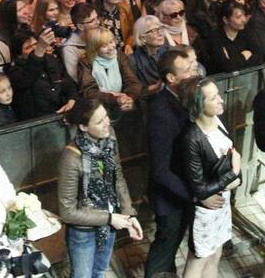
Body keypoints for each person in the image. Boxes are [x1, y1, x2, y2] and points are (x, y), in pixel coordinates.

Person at [58, 98, 142, 278]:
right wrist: (109, 218)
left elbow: (117, 175)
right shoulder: (70, 158)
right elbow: (67, 212)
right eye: (99, 121)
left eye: (106, 117)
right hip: (84, 232)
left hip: (110, 223)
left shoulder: (109, 136)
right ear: (83, 127)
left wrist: (128, 214)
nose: (107, 123)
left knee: (100, 272)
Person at [144, 46, 202, 278]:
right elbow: (160, 170)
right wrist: (192, 194)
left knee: (175, 241)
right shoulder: (161, 112)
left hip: (185, 188)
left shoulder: (186, 97)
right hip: (171, 194)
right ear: (171, 78)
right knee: (165, 245)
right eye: (188, 70)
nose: (195, 72)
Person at [176, 77, 241, 278]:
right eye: (213, 98)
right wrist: (233, 175)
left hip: (222, 203)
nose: (221, 100)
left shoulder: (219, 120)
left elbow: (231, 154)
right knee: (198, 259)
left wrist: (231, 180)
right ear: (198, 105)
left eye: (218, 95)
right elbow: (200, 189)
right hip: (205, 209)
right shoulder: (192, 138)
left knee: (215, 254)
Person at [75, 28, 142, 114]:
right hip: (99, 107)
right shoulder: (86, 62)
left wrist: (129, 97)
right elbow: (88, 91)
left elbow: (132, 81)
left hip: (124, 104)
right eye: (104, 46)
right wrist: (114, 98)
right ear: (95, 48)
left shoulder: (120, 56)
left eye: (111, 42)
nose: (111, 48)